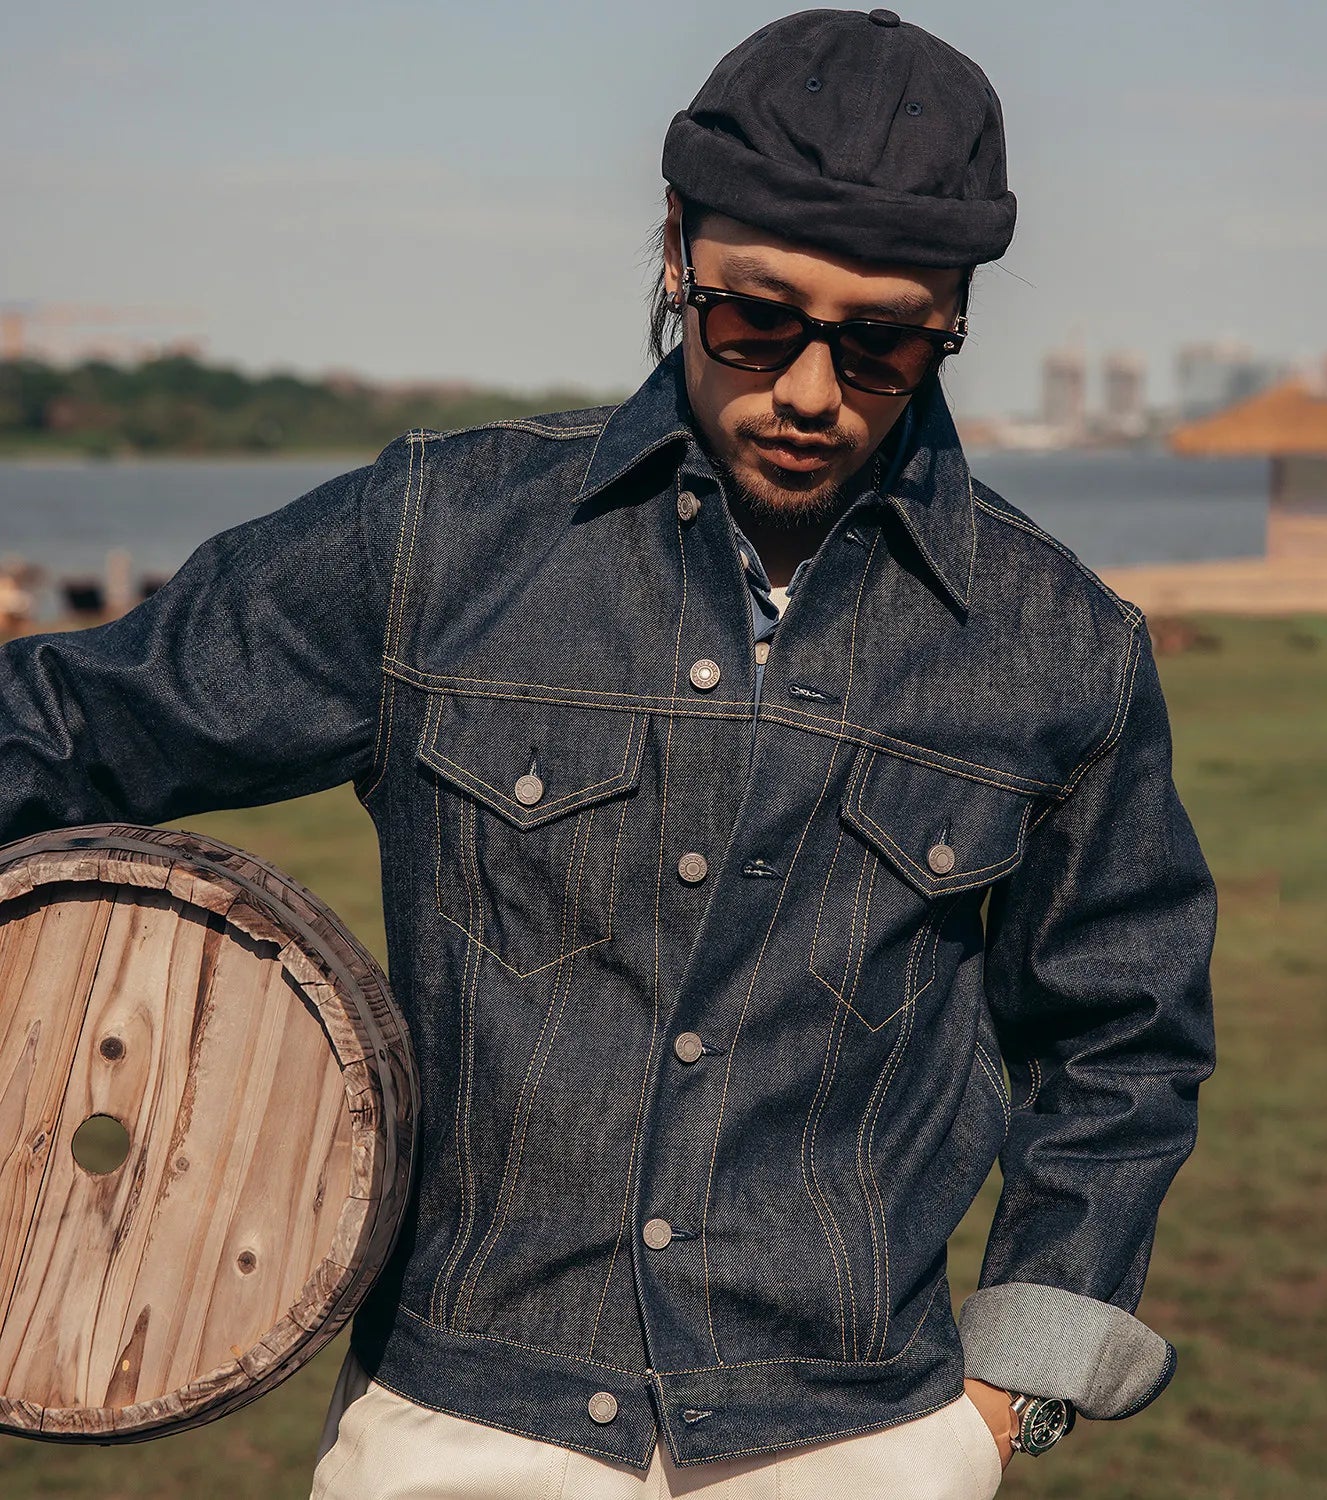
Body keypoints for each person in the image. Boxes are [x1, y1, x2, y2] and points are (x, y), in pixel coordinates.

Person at [0, 9, 1216, 1498]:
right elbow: (76, 725)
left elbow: (1124, 1034)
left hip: (864, 1440)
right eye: (755, 320)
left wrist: (997, 1407)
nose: (813, 390)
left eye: (885, 341)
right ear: (673, 249)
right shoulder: (440, 540)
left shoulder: (1063, 645)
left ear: (954, 315)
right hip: (458, 1426)